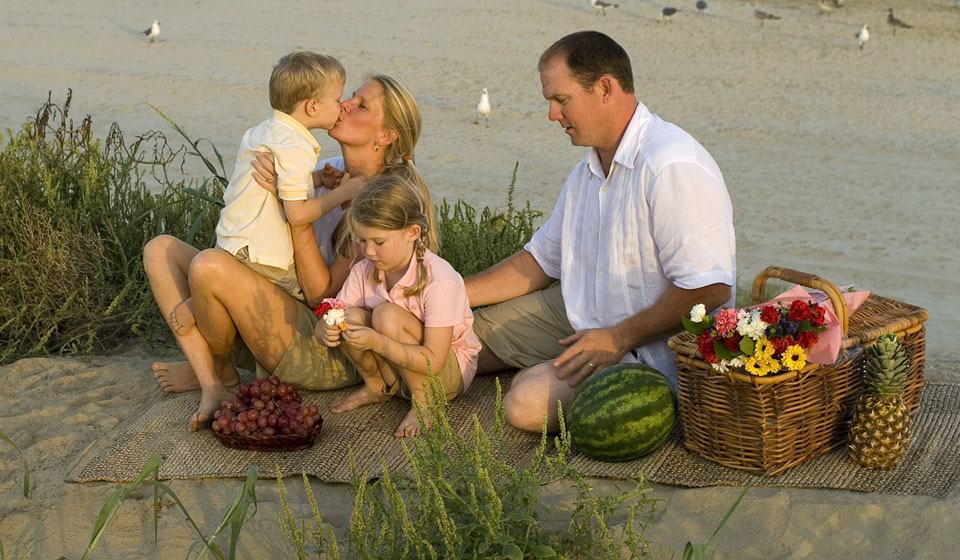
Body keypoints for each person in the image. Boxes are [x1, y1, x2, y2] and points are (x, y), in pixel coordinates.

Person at [466, 31, 736, 433]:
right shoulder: (585, 173)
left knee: (523, 404)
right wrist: (450, 292)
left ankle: (557, 375)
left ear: (605, 88)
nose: (553, 115)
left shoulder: (670, 164)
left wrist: (617, 337)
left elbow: (709, 288)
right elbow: (541, 261)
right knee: (452, 338)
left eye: (561, 100)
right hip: (580, 311)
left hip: (652, 344)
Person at [142, 74, 428, 431]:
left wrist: (294, 209)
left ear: (385, 137)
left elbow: (320, 295)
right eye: (350, 97)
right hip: (286, 308)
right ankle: (212, 374)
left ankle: (219, 368)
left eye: (361, 106)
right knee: (161, 250)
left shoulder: (380, 202)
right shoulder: (331, 172)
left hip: (332, 345)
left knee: (210, 267)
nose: (345, 105)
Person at [169, 50, 365, 334]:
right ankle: (198, 302)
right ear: (313, 106)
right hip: (263, 253)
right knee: (305, 301)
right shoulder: (297, 146)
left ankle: (199, 298)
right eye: (336, 100)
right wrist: (343, 193)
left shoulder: (264, 132)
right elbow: (297, 213)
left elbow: (283, 181)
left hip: (234, 240)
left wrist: (318, 177)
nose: (341, 106)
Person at [318, 171, 481, 437]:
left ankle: (425, 401)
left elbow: (435, 361)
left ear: (412, 233)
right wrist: (327, 329)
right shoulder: (364, 269)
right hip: (397, 366)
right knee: (348, 316)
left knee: (386, 316)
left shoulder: (440, 279)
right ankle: (376, 386)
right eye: (362, 240)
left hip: (444, 374)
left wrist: (377, 343)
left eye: (378, 242)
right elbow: (333, 316)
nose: (368, 251)